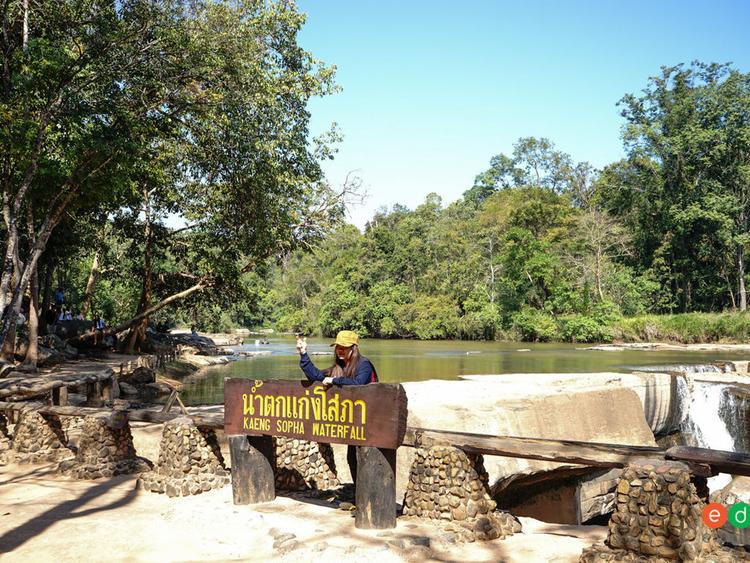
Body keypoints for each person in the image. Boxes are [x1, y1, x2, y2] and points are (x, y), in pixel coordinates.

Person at [296, 330, 378, 483]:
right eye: (338, 346)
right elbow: (317, 377)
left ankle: (364, 497)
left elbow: (358, 383)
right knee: (352, 458)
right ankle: (356, 493)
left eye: (344, 347)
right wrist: (303, 354)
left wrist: (334, 381)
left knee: (365, 458)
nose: (340, 350)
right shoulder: (339, 367)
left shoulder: (363, 364)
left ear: (354, 348)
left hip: (371, 421)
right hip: (354, 422)